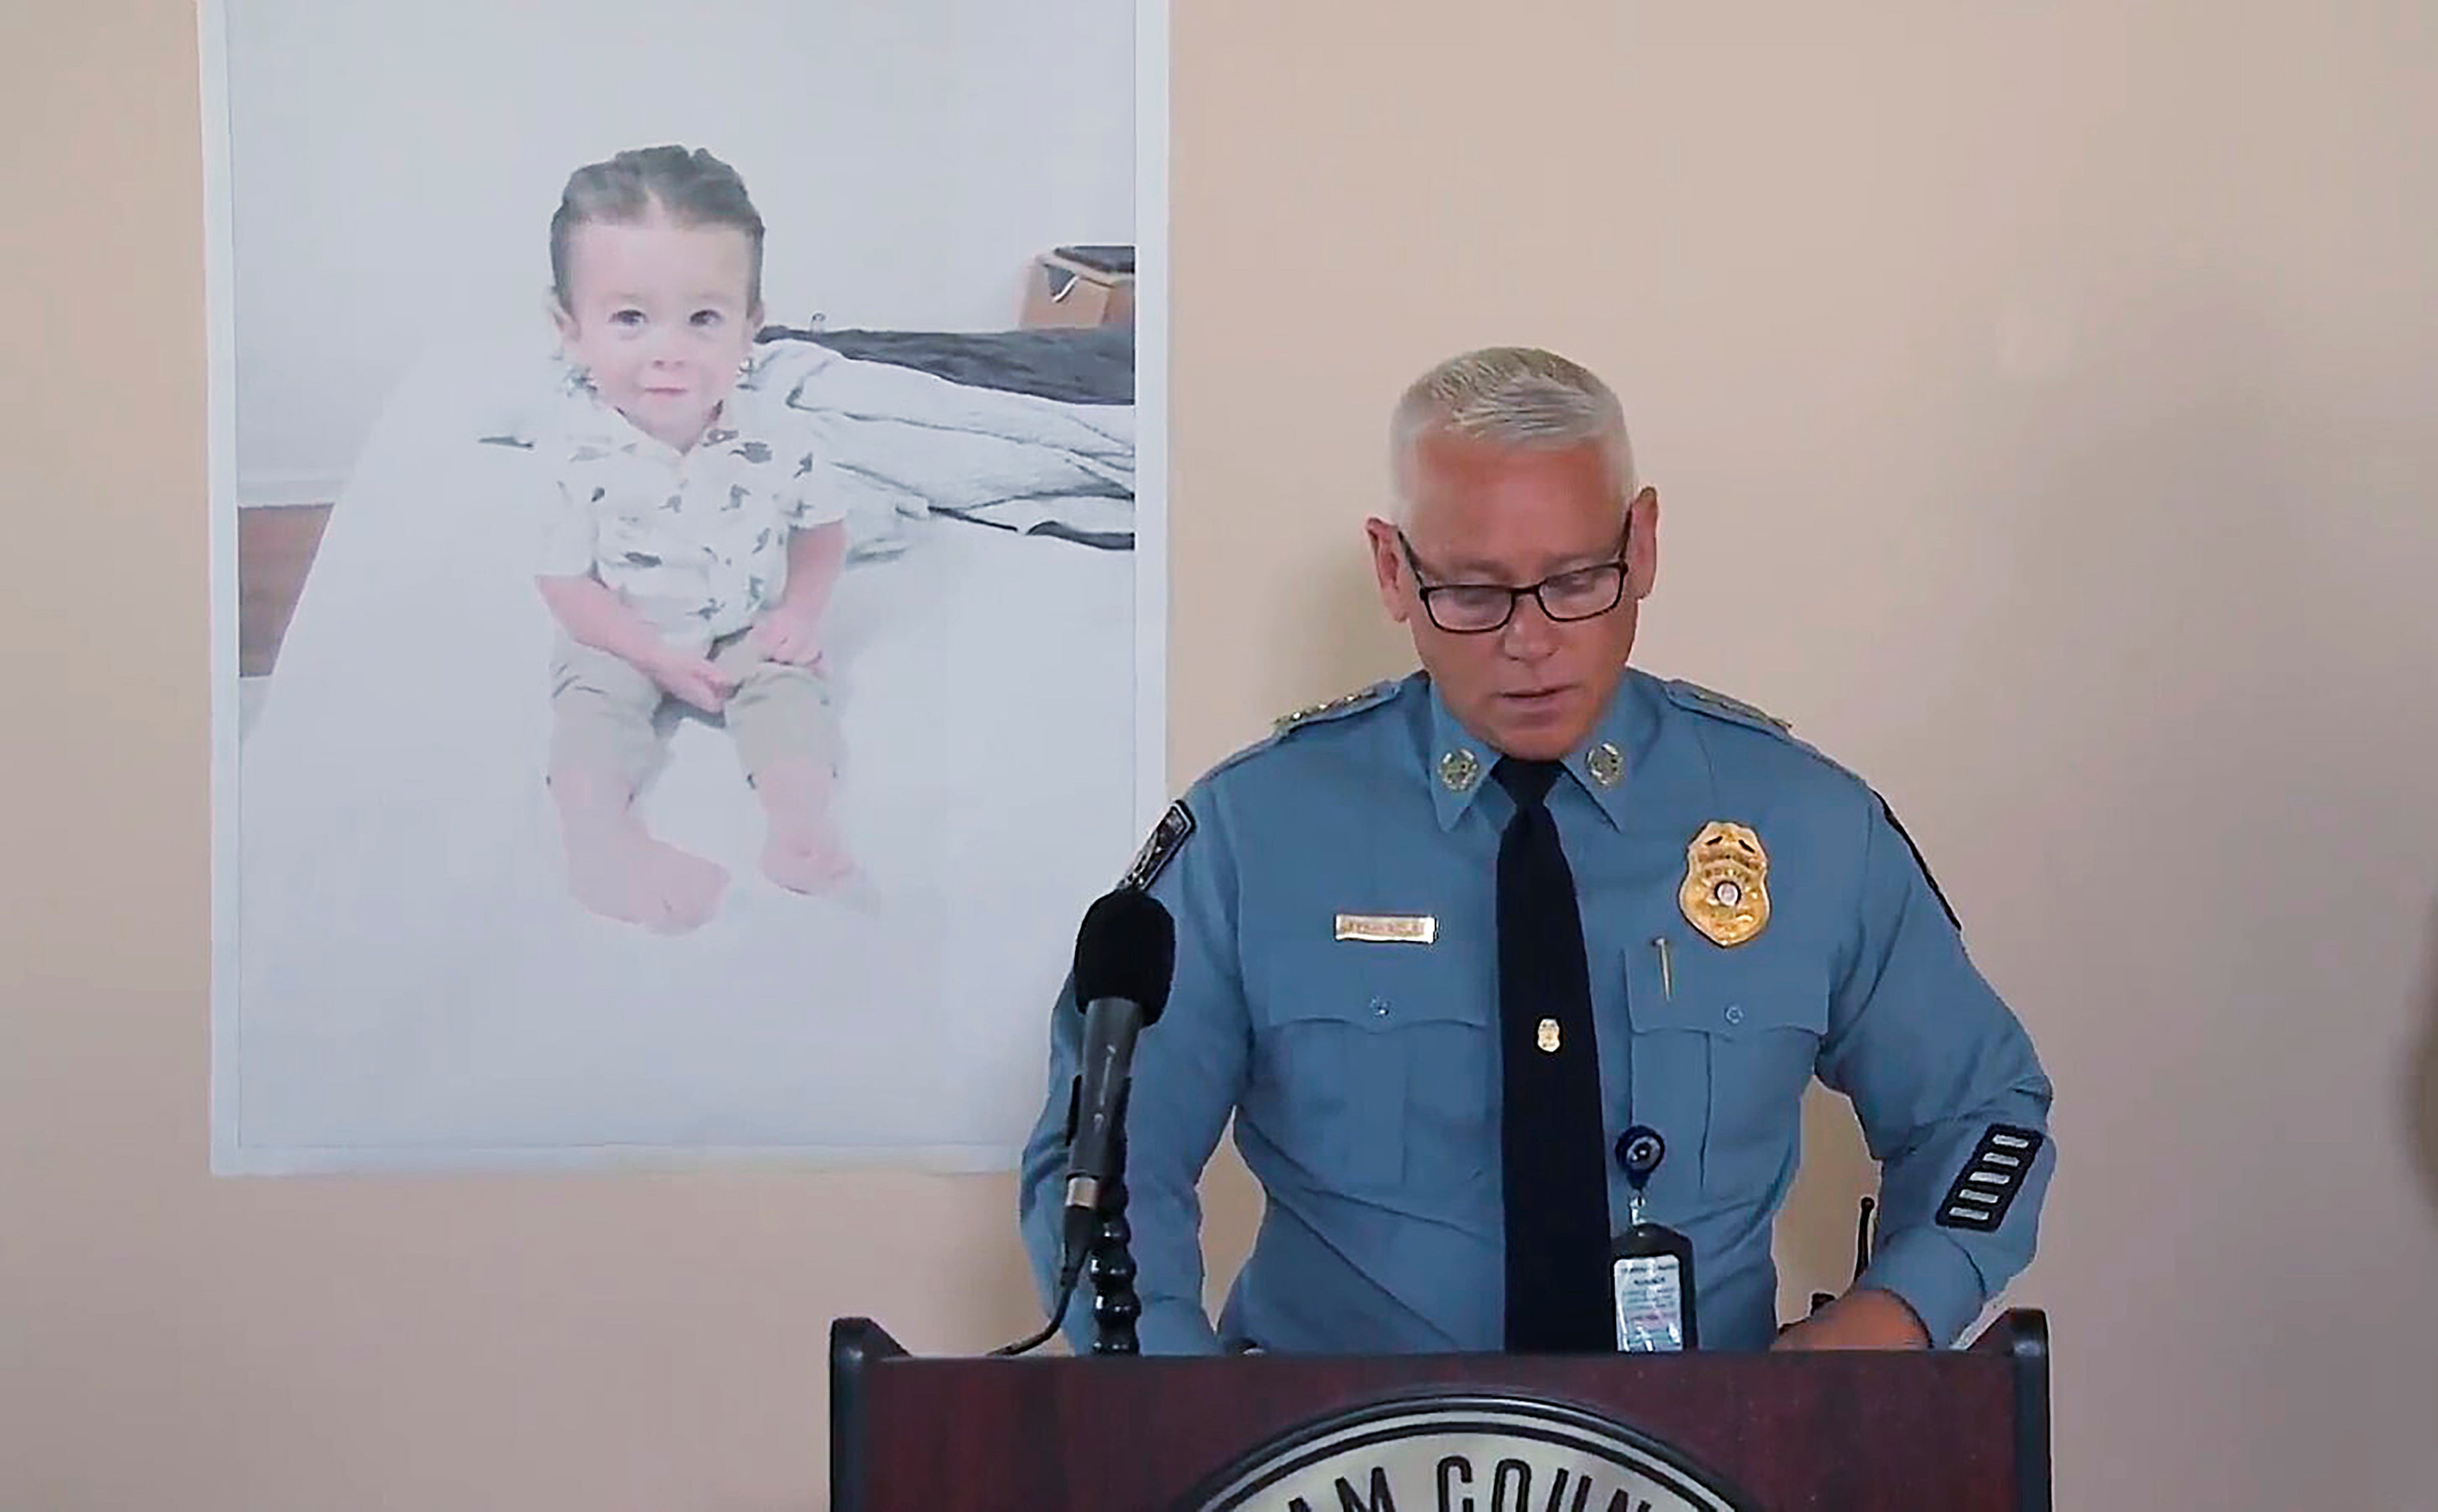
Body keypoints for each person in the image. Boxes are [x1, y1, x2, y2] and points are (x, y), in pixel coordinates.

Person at [1016, 344, 2056, 1356]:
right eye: (1472, 592)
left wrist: (1887, 1323)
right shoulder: (1258, 831)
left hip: (1691, 1465)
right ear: (1393, 567)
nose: (1531, 639)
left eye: (1575, 580)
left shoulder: (1803, 824)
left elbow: (1986, 1114)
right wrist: (1187, 1431)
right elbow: (1102, 1156)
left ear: (1642, 543)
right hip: (1342, 1467)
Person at [531, 145, 855, 933]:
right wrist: (650, 655)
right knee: (591, 708)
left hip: (741, 619)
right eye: (631, 318)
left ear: (751, 327)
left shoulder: (781, 437)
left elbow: (823, 531)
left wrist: (799, 616)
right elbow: (567, 585)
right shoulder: (573, 450)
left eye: (703, 318)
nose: (669, 349)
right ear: (571, 331)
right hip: (623, 622)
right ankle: (598, 838)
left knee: (791, 692)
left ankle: (799, 825)